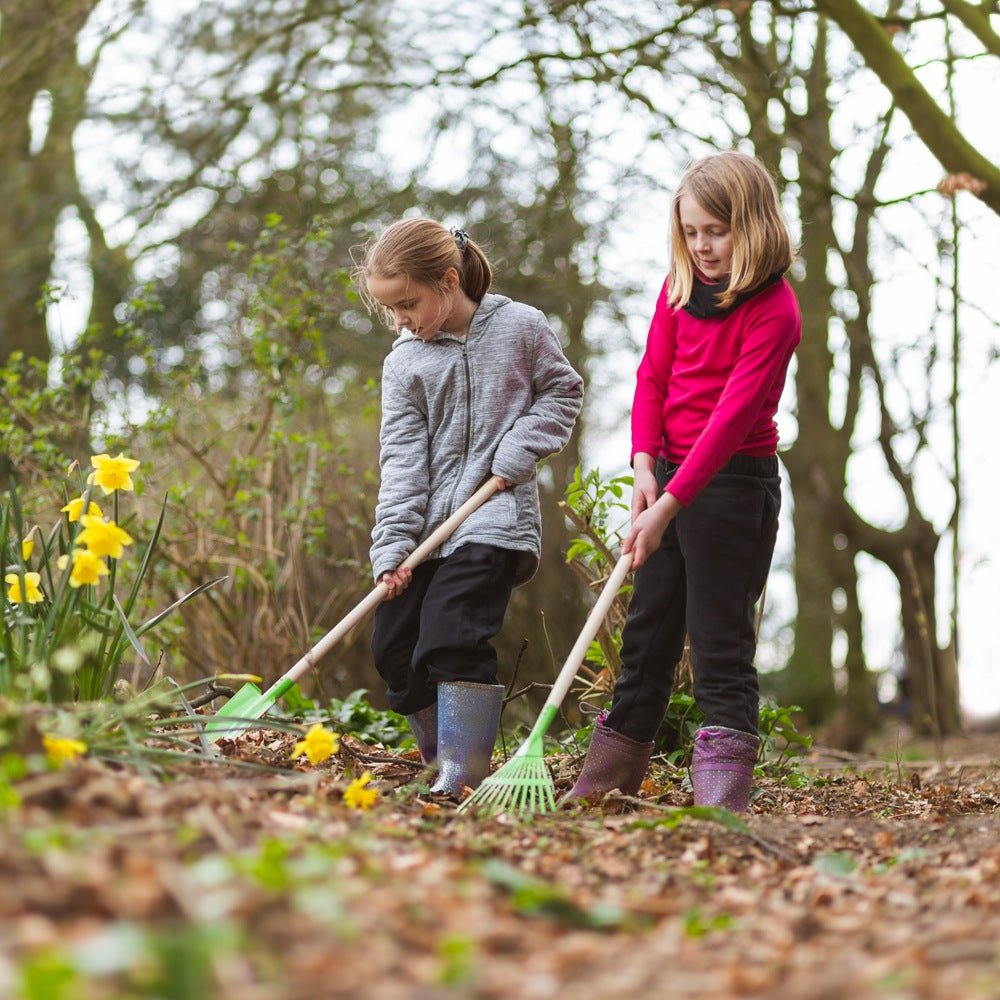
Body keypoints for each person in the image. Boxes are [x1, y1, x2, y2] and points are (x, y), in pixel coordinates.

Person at [564, 151, 801, 812]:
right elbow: (652, 378)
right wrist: (644, 465)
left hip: (732, 485)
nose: (701, 245)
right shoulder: (677, 290)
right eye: (691, 231)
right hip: (666, 476)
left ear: (751, 226)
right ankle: (608, 782)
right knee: (647, 637)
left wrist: (669, 505)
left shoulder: (775, 311)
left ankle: (721, 800)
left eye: (715, 232)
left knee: (721, 640)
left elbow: (730, 420)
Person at [355, 218, 584, 797]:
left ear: (449, 280)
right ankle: (439, 759)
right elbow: (402, 458)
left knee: (451, 635)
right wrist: (393, 546)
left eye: (408, 303)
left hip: (494, 519)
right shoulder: (404, 362)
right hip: (426, 526)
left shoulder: (521, 328)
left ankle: (464, 774)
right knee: (394, 648)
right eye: (390, 311)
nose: (401, 320)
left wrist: (516, 451)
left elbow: (563, 391)